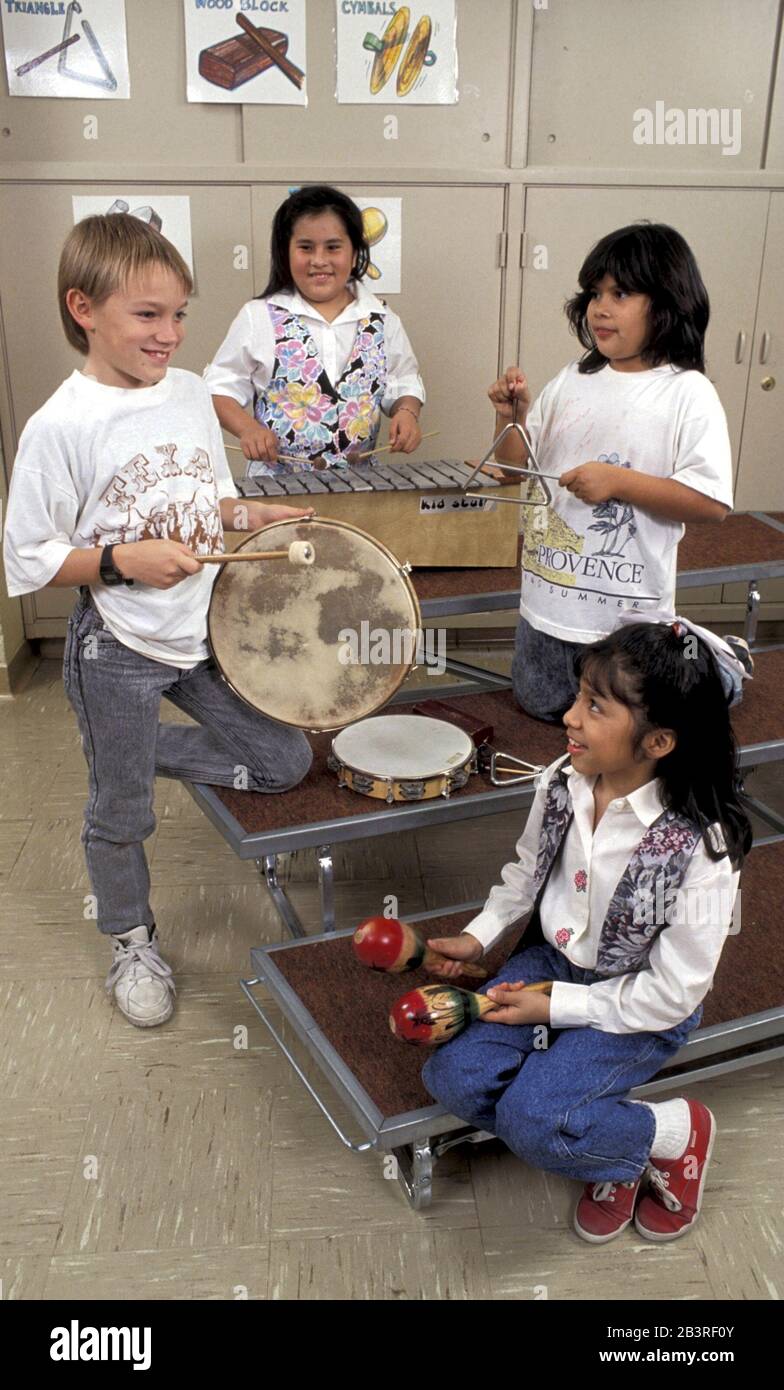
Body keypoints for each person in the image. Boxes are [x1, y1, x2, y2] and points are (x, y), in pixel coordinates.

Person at [2, 213, 314, 1029]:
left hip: (198, 635)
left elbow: (204, 496)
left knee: (283, 760)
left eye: (179, 314)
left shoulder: (184, 394)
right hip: (118, 649)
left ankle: (126, 752)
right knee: (121, 814)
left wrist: (250, 515)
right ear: (84, 308)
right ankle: (131, 937)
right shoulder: (60, 426)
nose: (170, 334)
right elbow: (27, 559)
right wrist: (119, 561)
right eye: (147, 315)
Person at [421, 620, 752, 1243]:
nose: (570, 718)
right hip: (554, 962)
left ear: (658, 741)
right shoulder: (561, 781)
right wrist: (481, 934)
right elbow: (528, 869)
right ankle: (604, 1142)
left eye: (595, 707)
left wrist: (558, 1007)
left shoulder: (701, 847)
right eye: (578, 696)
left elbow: (673, 994)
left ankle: (675, 1133)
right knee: (451, 1078)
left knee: (532, 1118)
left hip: (638, 1002)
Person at [487, 222, 737, 722]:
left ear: (668, 302)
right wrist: (509, 418)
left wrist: (619, 481)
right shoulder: (571, 380)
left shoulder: (686, 392)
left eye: (620, 293)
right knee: (540, 705)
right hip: (546, 608)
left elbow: (711, 502)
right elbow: (513, 468)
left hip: (626, 619)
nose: (600, 307)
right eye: (595, 293)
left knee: (640, 720)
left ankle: (717, 661)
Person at [204, 184, 425, 473]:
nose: (319, 260)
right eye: (306, 247)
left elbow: (404, 379)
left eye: (333, 247)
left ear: (355, 250)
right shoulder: (258, 317)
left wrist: (407, 413)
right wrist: (247, 429)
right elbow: (219, 387)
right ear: (286, 251)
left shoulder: (382, 319)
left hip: (360, 486)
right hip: (276, 489)